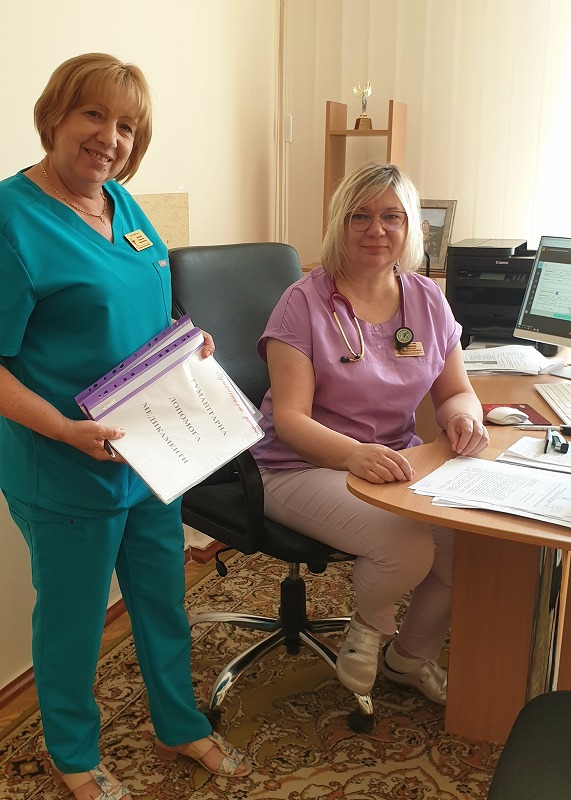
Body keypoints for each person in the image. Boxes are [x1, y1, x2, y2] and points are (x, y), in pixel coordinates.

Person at [0, 53, 250, 800]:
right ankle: (73, 754)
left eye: (127, 126)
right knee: (74, 622)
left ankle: (178, 724)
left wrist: (187, 340)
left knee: (162, 600)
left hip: (150, 455)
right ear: (55, 114)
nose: (110, 138)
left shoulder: (121, 206)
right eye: (94, 114)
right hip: (66, 466)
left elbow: (150, 307)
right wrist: (62, 429)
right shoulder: (13, 219)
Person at [252, 162, 490, 705]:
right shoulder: (303, 302)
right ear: (339, 223)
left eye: (391, 217)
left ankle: (410, 658)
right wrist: (354, 454)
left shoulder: (427, 298)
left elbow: (456, 390)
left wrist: (464, 417)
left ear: (411, 228)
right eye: (359, 216)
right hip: (298, 465)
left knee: (467, 544)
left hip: (395, 462)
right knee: (407, 546)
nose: (375, 229)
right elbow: (290, 419)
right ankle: (369, 624)